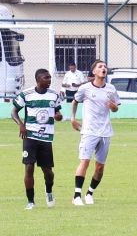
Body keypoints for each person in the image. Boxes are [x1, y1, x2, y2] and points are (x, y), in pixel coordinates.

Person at [11, 68, 64, 210]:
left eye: (50, 77)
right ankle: (31, 201)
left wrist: (58, 116)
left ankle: (49, 191)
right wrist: (21, 124)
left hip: (46, 137)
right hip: (30, 135)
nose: (49, 80)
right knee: (29, 167)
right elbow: (14, 112)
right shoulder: (26, 95)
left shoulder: (54, 95)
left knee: (48, 172)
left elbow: (58, 113)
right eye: (46, 78)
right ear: (38, 79)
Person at [70, 59, 120, 206]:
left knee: (100, 167)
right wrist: (72, 118)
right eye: (100, 66)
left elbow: (116, 108)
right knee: (85, 161)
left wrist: (113, 107)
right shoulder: (85, 88)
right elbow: (75, 101)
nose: (103, 68)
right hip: (89, 131)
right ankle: (77, 196)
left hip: (105, 132)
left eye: (105, 66)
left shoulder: (111, 89)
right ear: (94, 71)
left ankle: (89, 193)